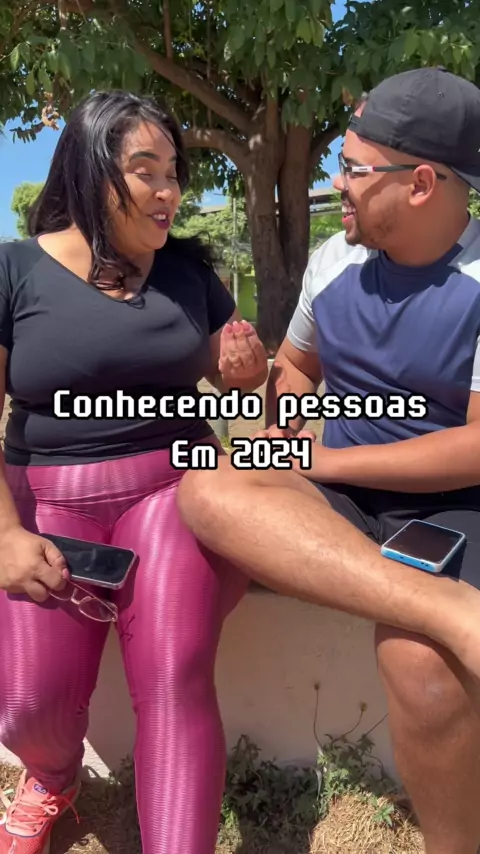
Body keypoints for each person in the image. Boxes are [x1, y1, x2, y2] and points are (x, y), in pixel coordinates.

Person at [177, 66, 480, 854]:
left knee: (422, 668)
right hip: (338, 492)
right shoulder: (331, 263)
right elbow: (298, 371)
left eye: (353, 167)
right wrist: (271, 394)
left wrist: (331, 462)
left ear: (421, 183)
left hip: (455, 499)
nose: (336, 182)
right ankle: (452, 609)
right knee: (209, 486)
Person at [0, 90, 268, 854]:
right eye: (145, 171)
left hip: (174, 489)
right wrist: (5, 534)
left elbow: (237, 375)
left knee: (175, 680)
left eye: (173, 172)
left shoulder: (186, 271)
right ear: (90, 172)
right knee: (28, 705)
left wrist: (245, 371)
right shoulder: (14, 270)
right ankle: (52, 775)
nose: (167, 191)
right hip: (48, 501)